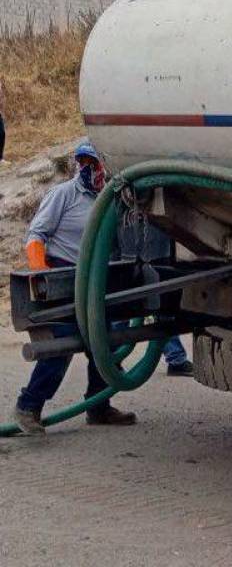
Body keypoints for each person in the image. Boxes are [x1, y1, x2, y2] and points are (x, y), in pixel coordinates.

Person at [11, 141, 138, 435]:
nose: (88, 169)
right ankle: (28, 406)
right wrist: (40, 274)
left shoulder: (112, 200)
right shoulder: (64, 194)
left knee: (104, 345)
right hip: (62, 277)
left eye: (94, 164)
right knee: (61, 346)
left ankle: (98, 406)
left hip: (95, 281)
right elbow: (36, 234)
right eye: (84, 163)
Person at [118, 213, 194, 376]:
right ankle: (112, 360)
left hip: (154, 250)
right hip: (131, 254)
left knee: (162, 307)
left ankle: (176, 359)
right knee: (124, 309)